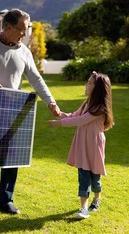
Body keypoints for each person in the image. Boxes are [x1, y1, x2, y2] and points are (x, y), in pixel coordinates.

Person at [0, 8, 60, 215]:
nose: (24, 34)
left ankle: (6, 200)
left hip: (13, 110)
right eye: (21, 29)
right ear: (8, 27)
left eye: (26, 30)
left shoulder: (24, 52)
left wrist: (50, 102)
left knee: (11, 156)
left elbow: (36, 79)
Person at [46, 72, 114, 219]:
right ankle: (83, 208)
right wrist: (58, 114)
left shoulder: (100, 107)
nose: (86, 84)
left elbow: (81, 120)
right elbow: (74, 116)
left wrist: (59, 124)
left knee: (95, 178)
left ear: (98, 88)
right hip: (83, 143)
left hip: (94, 144)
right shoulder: (87, 103)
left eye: (90, 83)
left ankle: (97, 198)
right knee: (83, 175)